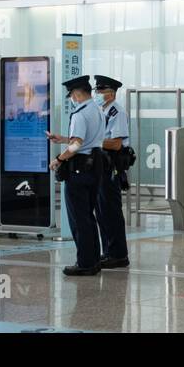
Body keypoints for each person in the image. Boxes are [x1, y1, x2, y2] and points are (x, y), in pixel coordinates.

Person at [47, 75, 105, 276]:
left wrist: (60, 159)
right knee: (88, 216)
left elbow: (77, 145)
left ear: (77, 93)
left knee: (79, 218)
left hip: (79, 169)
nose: (71, 98)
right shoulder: (96, 109)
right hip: (94, 166)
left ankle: (85, 264)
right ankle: (94, 260)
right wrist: (63, 138)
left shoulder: (80, 113)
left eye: (71, 94)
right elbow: (87, 140)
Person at [92, 75, 130, 269]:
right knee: (101, 211)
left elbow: (116, 143)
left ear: (111, 93)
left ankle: (118, 254)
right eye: (96, 91)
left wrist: (92, 142)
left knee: (110, 210)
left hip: (111, 165)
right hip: (100, 164)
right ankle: (108, 251)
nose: (97, 94)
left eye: (101, 91)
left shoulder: (117, 112)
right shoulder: (101, 110)